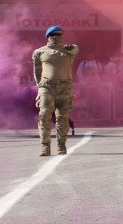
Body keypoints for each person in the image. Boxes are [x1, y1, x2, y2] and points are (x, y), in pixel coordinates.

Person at [32, 26, 79, 156]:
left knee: (62, 118)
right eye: (52, 34)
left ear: (61, 36)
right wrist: (39, 84)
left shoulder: (68, 50)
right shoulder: (39, 52)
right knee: (44, 114)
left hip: (64, 87)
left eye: (58, 34)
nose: (55, 37)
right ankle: (45, 146)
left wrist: (71, 48)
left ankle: (61, 146)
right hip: (47, 86)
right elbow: (36, 69)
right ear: (47, 37)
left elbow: (75, 49)